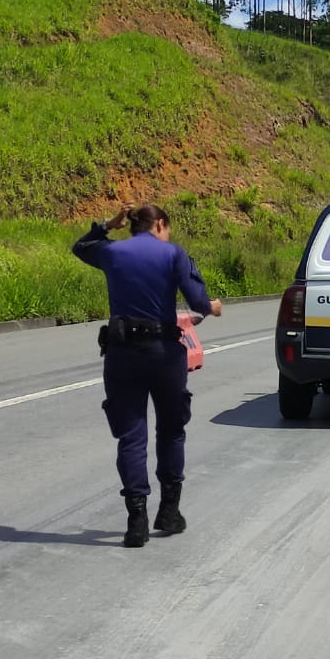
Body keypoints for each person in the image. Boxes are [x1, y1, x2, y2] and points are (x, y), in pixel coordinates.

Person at [74, 203, 221, 548]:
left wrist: (105, 226)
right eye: (167, 229)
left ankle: (136, 520)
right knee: (171, 431)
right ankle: (169, 511)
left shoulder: (112, 252)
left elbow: (80, 248)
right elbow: (199, 302)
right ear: (160, 225)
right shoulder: (173, 254)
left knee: (131, 437)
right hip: (164, 356)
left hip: (122, 355)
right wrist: (213, 307)